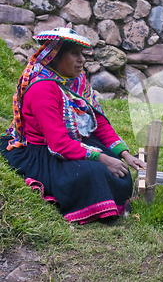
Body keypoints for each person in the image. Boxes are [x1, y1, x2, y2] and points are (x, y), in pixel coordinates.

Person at [1, 28, 146, 224]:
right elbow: (58, 143)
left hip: (72, 142)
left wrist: (124, 154)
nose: (82, 60)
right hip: (47, 151)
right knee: (95, 172)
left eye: (82, 54)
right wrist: (101, 158)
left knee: (116, 168)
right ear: (55, 57)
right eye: (74, 54)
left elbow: (100, 122)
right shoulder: (42, 89)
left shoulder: (76, 82)